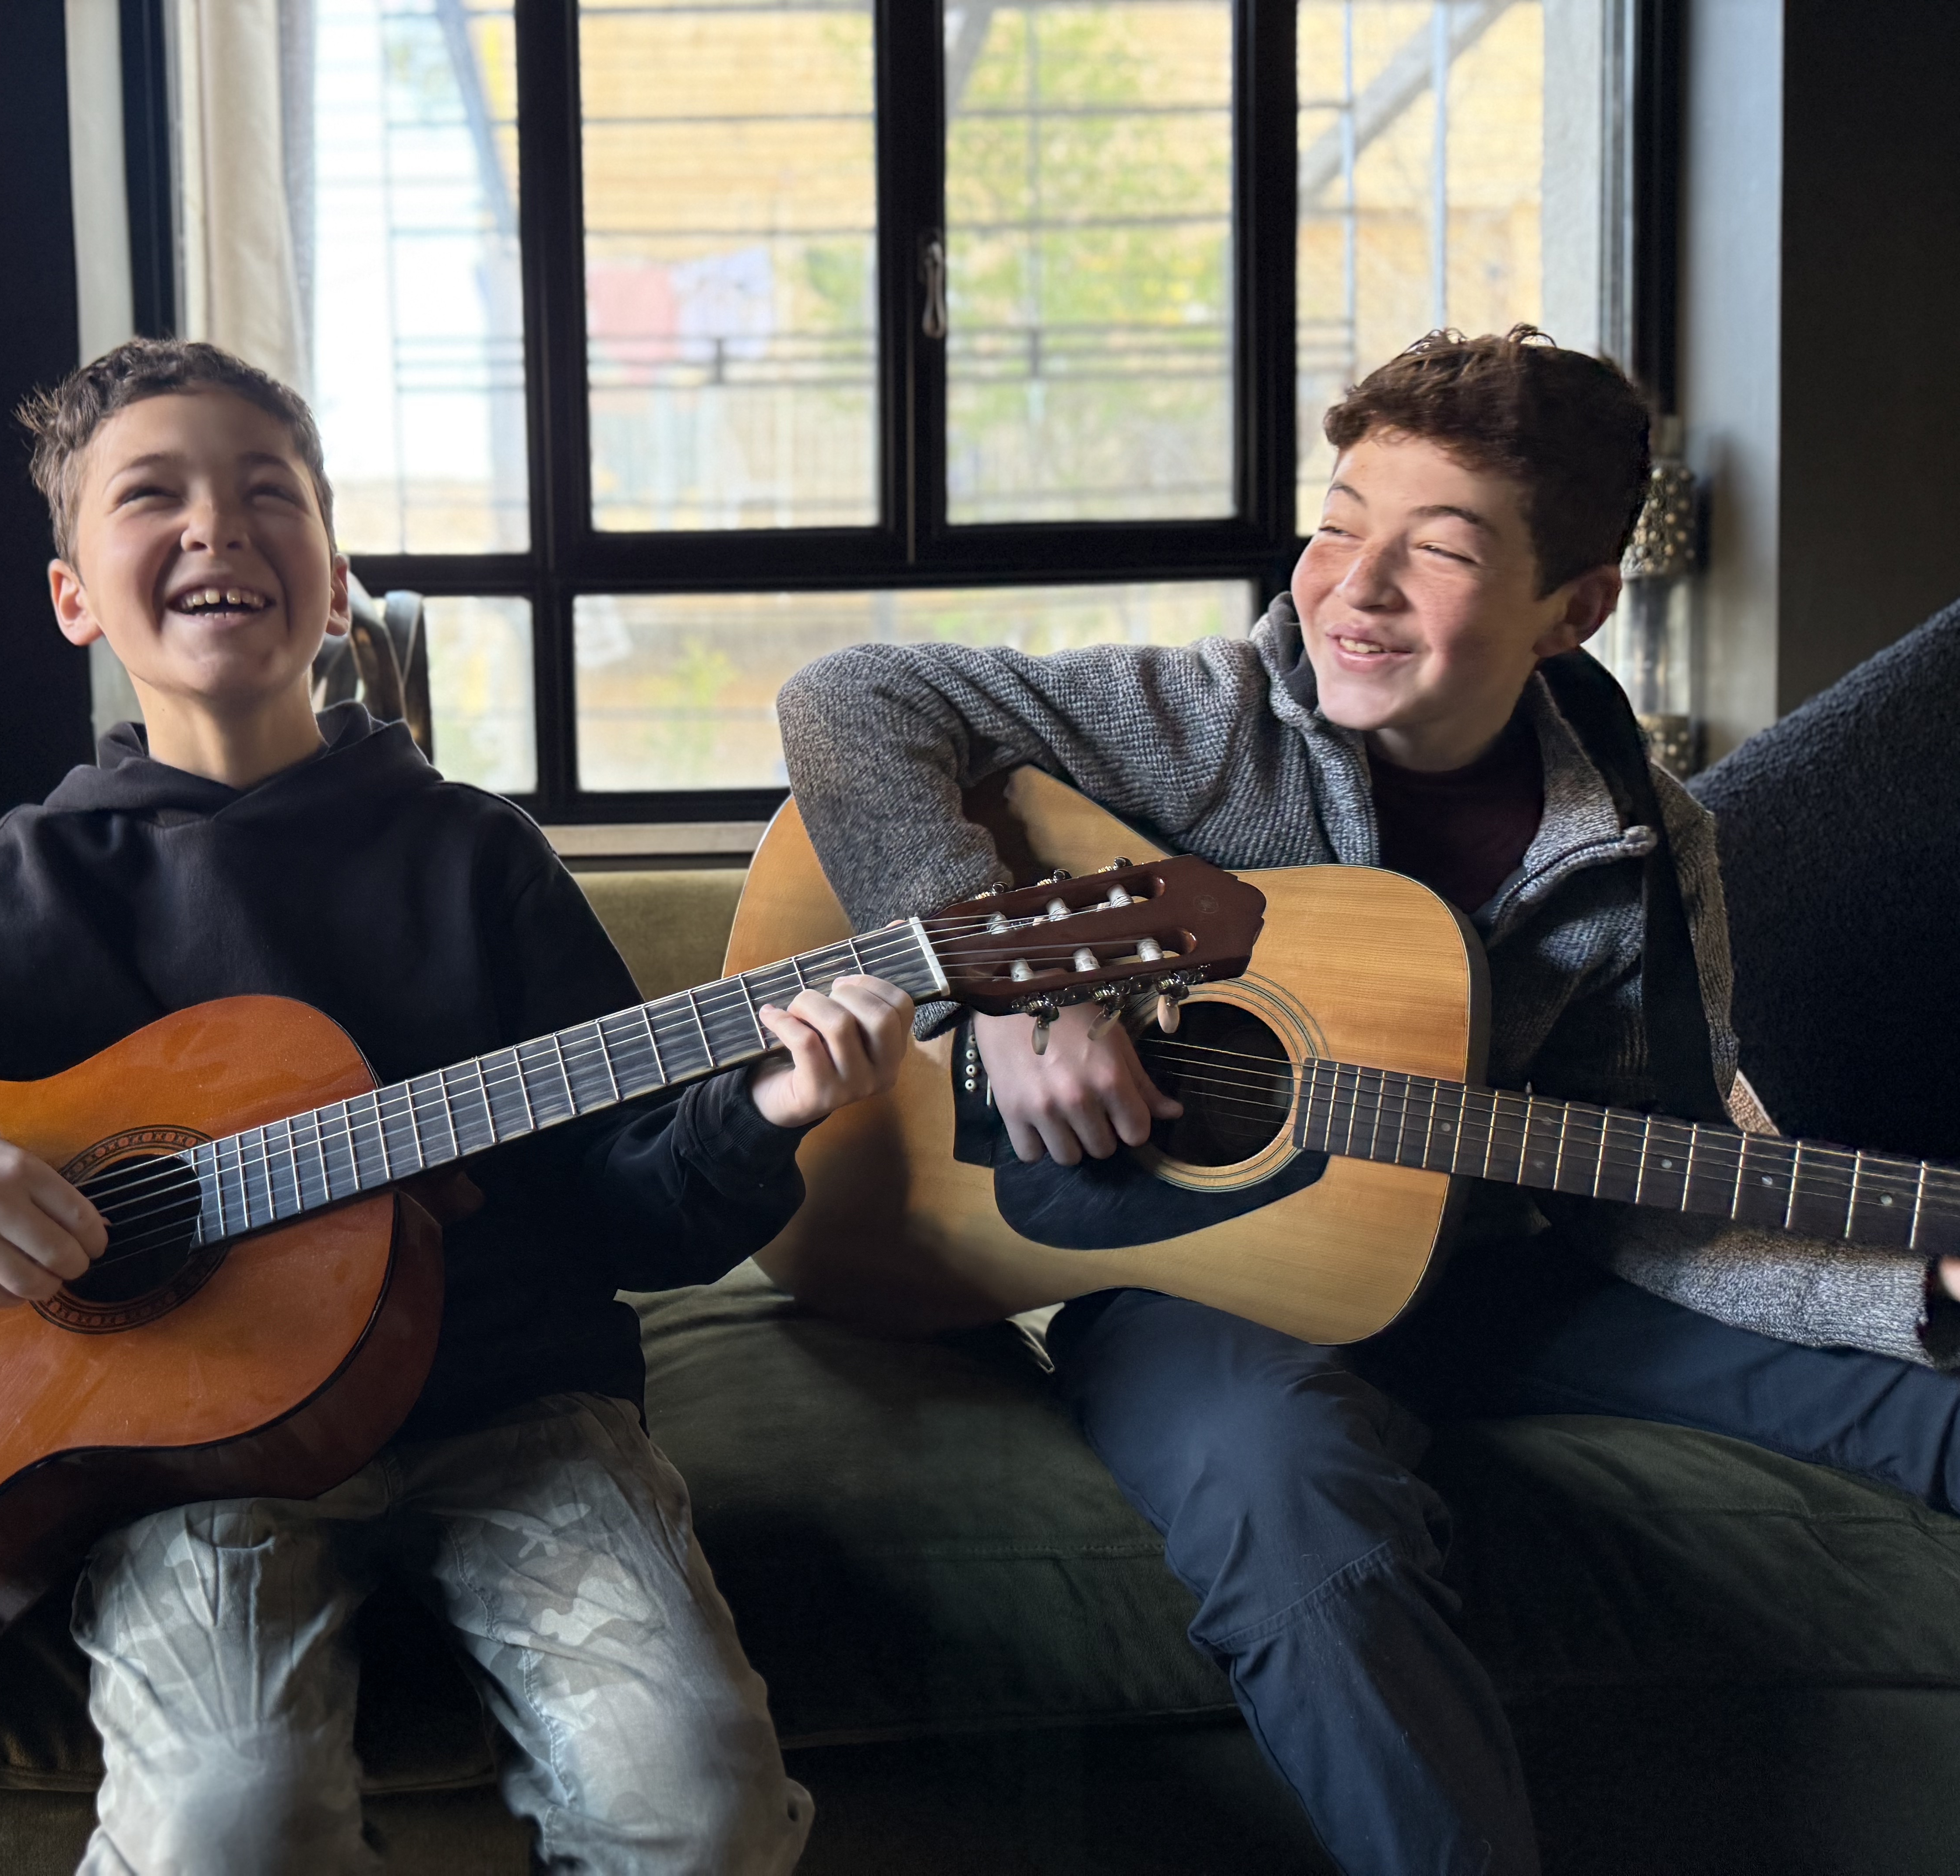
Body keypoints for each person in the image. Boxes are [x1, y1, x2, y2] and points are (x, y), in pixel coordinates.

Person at [0, 338, 916, 1876]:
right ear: (77, 592)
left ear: (334, 580)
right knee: (226, 1823)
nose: (218, 526)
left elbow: (629, 1208)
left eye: (269, 493)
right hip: (178, 1461)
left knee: (695, 1793)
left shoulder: (476, 857)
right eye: (155, 496)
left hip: (513, 1420)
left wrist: (762, 1116)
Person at [774, 326, 1960, 1876]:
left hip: (1498, 1267)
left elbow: (1648, 1194)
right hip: (1204, 1282)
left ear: (1575, 609)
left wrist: (1907, 1278)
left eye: (1441, 548)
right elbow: (851, 696)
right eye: (1338, 522)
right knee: (1301, 1522)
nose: (1354, 584)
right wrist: (1022, 991)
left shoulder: (1648, 852)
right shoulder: (1206, 722)